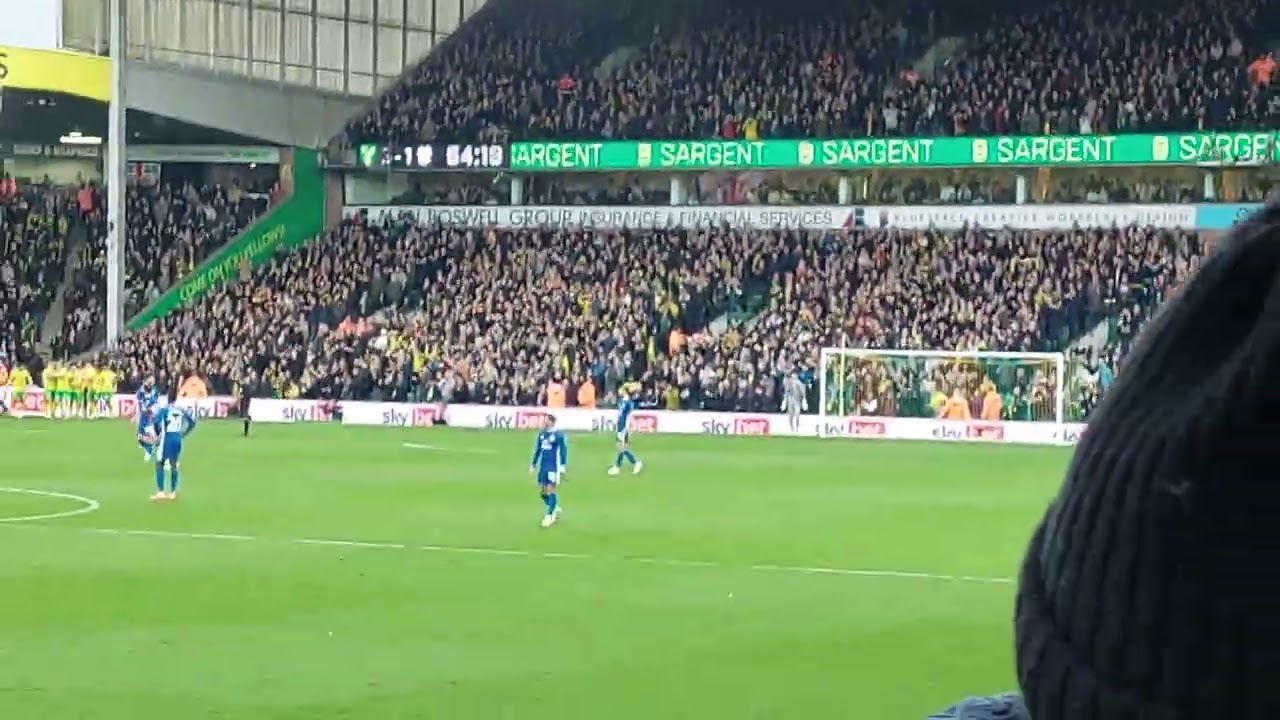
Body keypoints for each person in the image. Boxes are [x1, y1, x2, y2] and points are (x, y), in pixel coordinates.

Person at [150, 387, 196, 501]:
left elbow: (156, 421)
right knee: (174, 464)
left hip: (167, 438)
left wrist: (158, 434)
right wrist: (183, 434)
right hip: (177, 437)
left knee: (159, 463)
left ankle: (161, 492)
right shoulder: (180, 409)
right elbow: (192, 423)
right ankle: (173, 492)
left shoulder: (165, 410)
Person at [528, 414, 567, 527]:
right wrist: (533, 464)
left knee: (550, 490)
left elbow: (563, 450)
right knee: (543, 493)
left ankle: (549, 516)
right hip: (543, 467)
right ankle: (554, 507)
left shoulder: (558, 435)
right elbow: (538, 450)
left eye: (546, 421)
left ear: (552, 422)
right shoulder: (542, 434)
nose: (544, 423)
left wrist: (563, 465)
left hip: (553, 467)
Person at [607, 383, 643, 476]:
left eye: (622, 389)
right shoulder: (625, 401)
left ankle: (631, 464)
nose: (619, 390)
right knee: (622, 448)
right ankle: (620, 466)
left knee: (621, 447)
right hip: (622, 426)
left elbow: (623, 415)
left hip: (623, 427)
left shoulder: (626, 402)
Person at [136, 378, 160, 461]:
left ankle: (151, 451)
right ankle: (151, 449)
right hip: (144, 418)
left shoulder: (145, 396)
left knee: (150, 437)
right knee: (141, 437)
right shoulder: (150, 396)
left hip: (148, 419)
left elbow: (150, 408)